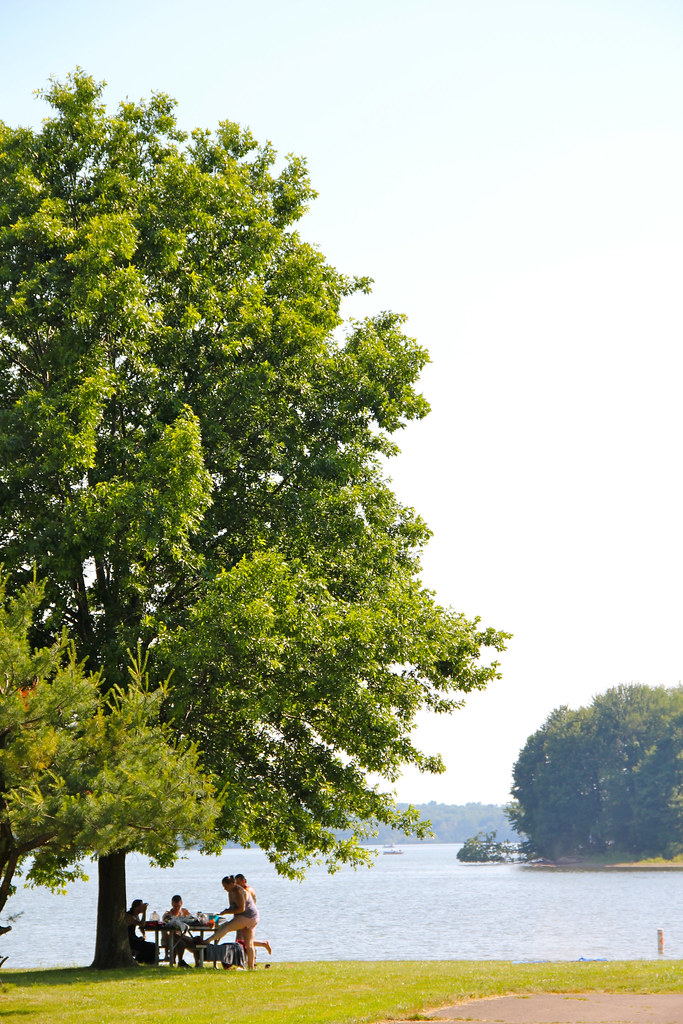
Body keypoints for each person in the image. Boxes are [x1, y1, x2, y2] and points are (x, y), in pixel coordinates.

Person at [201, 875, 259, 969]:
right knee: (248, 943)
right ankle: (251, 968)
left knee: (226, 927)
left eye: (226, 886)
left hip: (249, 916)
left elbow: (241, 909)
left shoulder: (239, 891)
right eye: (224, 887)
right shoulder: (230, 893)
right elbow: (233, 907)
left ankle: (208, 941)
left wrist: (227, 912)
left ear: (232, 884)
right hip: (245, 916)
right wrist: (225, 911)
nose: (225, 889)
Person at [235, 873, 271, 956]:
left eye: (238, 882)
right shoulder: (243, 890)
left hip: (246, 917)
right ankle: (263, 944)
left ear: (244, 881)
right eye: (235, 883)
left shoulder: (247, 890)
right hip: (247, 916)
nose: (236, 885)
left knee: (241, 941)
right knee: (245, 940)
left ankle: (243, 961)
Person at [162, 894, 192, 967]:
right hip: (169, 937)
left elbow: (192, 919)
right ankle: (179, 961)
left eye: (178, 906)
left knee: (191, 942)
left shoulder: (184, 912)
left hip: (180, 936)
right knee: (181, 942)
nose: (176, 908)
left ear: (181, 904)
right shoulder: (168, 914)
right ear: (172, 904)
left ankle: (197, 962)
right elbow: (165, 930)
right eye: (175, 906)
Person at [125, 899, 156, 965]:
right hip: (129, 940)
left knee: (153, 945)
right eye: (142, 906)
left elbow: (141, 927)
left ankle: (147, 962)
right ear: (136, 907)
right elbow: (142, 924)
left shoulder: (136, 916)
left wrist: (143, 935)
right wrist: (144, 912)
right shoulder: (129, 916)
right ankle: (142, 961)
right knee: (151, 946)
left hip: (134, 938)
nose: (143, 907)